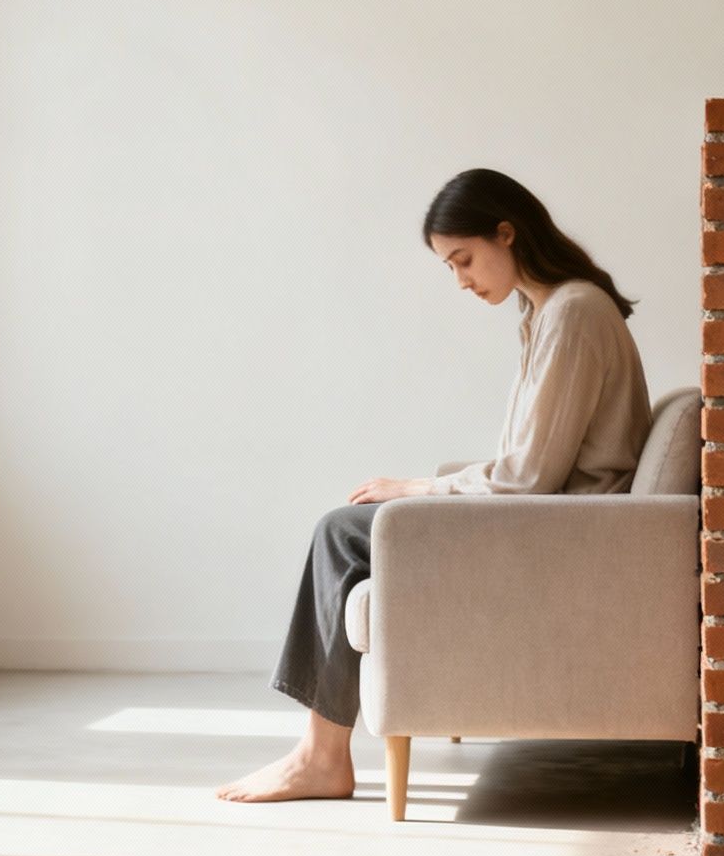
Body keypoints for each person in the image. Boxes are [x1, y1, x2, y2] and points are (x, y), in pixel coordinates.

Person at [218, 168, 652, 803]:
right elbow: (529, 466)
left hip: (562, 534)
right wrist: (430, 489)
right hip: (553, 521)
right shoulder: (545, 312)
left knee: (341, 532)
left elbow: (528, 479)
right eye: (451, 266)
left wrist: (421, 488)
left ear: (508, 234)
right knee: (352, 526)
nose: (462, 280)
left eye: (465, 259)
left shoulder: (575, 312)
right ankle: (318, 753)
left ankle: (320, 758)